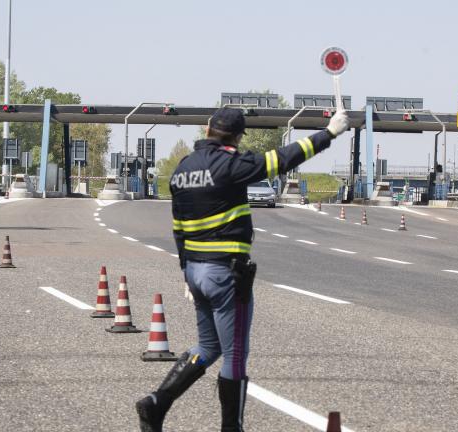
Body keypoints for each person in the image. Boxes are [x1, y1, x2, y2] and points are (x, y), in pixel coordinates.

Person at [136, 107, 350, 431]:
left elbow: (178, 227)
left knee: (208, 347)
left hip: (196, 270)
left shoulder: (182, 170)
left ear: (208, 130)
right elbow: (284, 158)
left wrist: (186, 271)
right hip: (225, 275)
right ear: (236, 138)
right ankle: (231, 429)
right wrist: (329, 133)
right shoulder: (231, 164)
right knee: (234, 357)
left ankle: (156, 403)